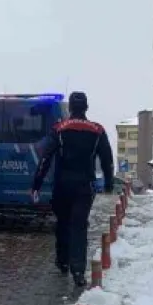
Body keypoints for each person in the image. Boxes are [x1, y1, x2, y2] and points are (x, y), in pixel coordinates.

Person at [30, 92, 115, 287]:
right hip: (85, 186)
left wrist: (37, 184)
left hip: (62, 185)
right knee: (79, 226)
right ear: (86, 107)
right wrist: (109, 184)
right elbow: (107, 160)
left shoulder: (59, 129)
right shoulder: (97, 130)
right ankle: (78, 270)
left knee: (62, 223)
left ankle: (62, 261)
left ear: (70, 109)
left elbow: (45, 158)